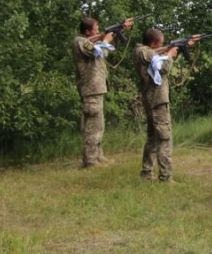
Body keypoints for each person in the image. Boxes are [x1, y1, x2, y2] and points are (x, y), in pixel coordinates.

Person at [133, 28, 198, 182]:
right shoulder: (145, 52)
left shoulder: (144, 52)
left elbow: (159, 57)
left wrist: (183, 47)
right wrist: (170, 55)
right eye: (160, 43)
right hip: (157, 100)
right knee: (164, 138)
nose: (162, 45)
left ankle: (146, 172)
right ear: (154, 43)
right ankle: (165, 176)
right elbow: (164, 68)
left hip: (151, 99)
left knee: (153, 138)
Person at [71, 16, 133, 168]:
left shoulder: (90, 42)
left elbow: (106, 47)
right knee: (92, 126)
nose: (98, 31)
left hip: (97, 88)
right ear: (87, 31)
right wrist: (105, 40)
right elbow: (99, 52)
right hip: (90, 89)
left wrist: (119, 32)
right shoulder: (80, 42)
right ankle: (91, 161)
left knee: (99, 125)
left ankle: (98, 155)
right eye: (95, 29)